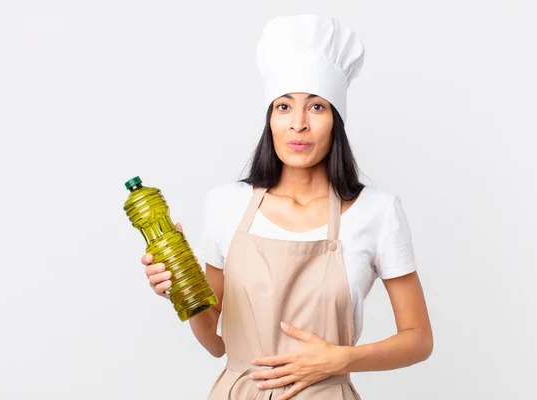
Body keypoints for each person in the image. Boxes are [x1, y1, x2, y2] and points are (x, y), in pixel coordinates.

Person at [141, 14, 433, 400]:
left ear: (336, 121)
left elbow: (418, 339)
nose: (298, 124)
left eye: (316, 107)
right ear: (270, 120)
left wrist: (340, 359)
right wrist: (181, 289)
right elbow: (216, 342)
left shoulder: (376, 212)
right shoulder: (226, 204)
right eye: (283, 107)